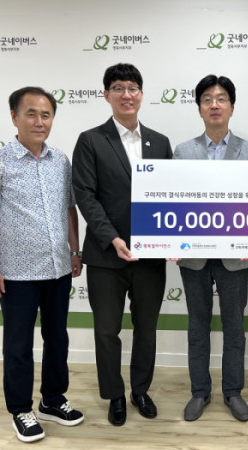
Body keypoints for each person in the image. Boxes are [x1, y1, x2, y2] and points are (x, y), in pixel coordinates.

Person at [0, 86, 84, 443]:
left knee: (57, 338)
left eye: (45, 115)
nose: (39, 121)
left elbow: (69, 208)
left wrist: (75, 251)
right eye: (31, 114)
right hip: (17, 274)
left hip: (58, 269)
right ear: (14, 117)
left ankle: (52, 399)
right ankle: (21, 408)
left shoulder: (60, 161)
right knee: (18, 345)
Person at [72, 63, 172, 426]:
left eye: (132, 88)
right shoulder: (90, 140)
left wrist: (174, 239)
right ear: (107, 95)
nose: (126, 95)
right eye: (118, 88)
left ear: (141, 94)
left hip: (150, 257)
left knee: (147, 328)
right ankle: (114, 394)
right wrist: (112, 238)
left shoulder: (160, 142)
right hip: (105, 256)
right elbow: (85, 196)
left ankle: (140, 390)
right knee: (106, 330)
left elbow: (170, 196)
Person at [173, 74, 248, 422]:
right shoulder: (183, 151)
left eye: (221, 98)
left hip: (235, 255)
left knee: (234, 326)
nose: (214, 104)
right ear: (199, 108)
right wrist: (170, 240)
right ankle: (200, 391)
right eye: (207, 99)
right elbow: (172, 199)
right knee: (198, 326)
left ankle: (233, 391)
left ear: (232, 107)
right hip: (193, 255)